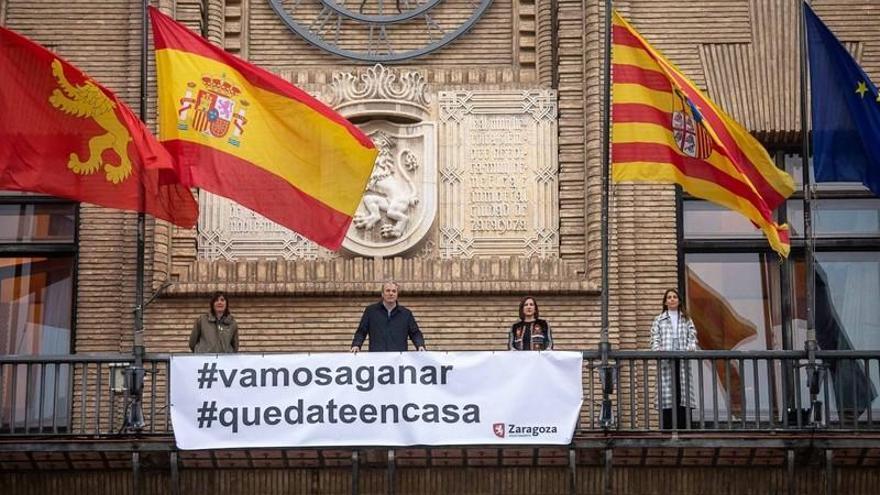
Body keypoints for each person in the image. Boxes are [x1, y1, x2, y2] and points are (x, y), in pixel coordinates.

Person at [650, 288, 697, 429]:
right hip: (666, 360)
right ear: (665, 301)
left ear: (679, 300)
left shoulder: (686, 319)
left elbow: (692, 335)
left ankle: (683, 427)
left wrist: (691, 347)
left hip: (682, 359)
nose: (672, 299)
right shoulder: (659, 320)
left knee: (682, 392)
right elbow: (654, 338)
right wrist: (658, 350)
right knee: (667, 393)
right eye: (669, 297)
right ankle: (667, 427)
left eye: (674, 297)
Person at [350, 281, 426, 353]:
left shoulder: (406, 314)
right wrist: (356, 345)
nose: (391, 293)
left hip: (399, 360)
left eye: (394, 291)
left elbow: (415, 333)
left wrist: (420, 345)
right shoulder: (371, 311)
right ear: (382, 294)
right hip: (377, 360)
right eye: (388, 291)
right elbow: (361, 331)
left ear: (397, 294)